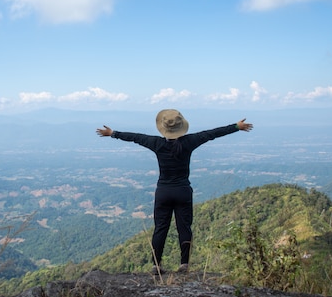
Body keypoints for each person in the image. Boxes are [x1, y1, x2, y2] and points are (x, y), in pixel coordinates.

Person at [96, 109, 253, 274]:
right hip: (183, 191)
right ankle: (184, 264)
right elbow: (211, 134)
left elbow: (136, 137)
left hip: (163, 192)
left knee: (160, 228)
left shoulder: (157, 143)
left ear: (163, 128)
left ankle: (156, 265)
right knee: (184, 227)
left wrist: (112, 133)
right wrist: (236, 126)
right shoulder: (189, 141)